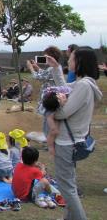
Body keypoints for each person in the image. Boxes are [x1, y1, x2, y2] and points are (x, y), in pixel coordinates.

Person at [47, 46, 102, 220]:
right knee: (68, 183)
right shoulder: (83, 84)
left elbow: (63, 113)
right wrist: (56, 68)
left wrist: (51, 110)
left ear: (79, 62)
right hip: (72, 140)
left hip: (67, 142)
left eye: (71, 58)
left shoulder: (84, 86)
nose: (68, 61)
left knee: (66, 187)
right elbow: (64, 88)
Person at [26, 45, 63, 137]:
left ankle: (49, 140)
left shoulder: (52, 69)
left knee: (48, 121)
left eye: (46, 56)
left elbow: (38, 77)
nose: (44, 58)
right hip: (52, 98)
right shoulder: (56, 67)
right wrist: (37, 67)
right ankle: (49, 139)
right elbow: (45, 74)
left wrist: (30, 67)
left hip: (50, 98)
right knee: (50, 119)